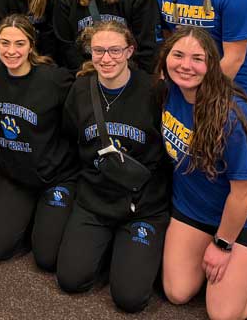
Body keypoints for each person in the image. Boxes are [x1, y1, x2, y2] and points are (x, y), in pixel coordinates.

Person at [159, 27, 247, 320]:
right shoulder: (169, 90)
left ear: (212, 64)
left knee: (223, 315)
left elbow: (244, 192)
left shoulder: (233, 115)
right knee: (177, 292)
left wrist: (222, 245)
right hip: (193, 207)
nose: (185, 65)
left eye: (197, 58)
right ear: (166, 58)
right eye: (178, 55)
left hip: (241, 215)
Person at [56, 21, 170, 313]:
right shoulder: (80, 90)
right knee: (71, 279)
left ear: (130, 51)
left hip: (142, 205)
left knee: (130, 299)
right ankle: (110, 249)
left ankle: (126, 252)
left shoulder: (154, 91)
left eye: (115, 50)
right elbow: (71, 137)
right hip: (95, 200)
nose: (106, 59)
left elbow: (169, 154)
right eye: (98, 51)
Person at [0, 14, 77, 271]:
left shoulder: (54, 79)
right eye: (5, 43)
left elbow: (79, 118)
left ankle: (49, 216)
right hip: (18, 176)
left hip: (55, 176)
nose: (11, 51)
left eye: (20, 44)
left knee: (46, 258)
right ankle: (30, 216)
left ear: (31, 45)